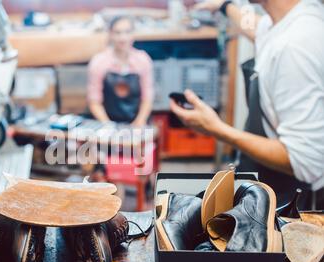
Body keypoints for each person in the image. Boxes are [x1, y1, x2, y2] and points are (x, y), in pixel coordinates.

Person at [170, 0, 324, 209]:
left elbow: (302, 161)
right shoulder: (288, 20)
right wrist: (224, 6)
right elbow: (255, 27)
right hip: (272, 181)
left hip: (296, 199)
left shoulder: (295, 45)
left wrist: (216, 128)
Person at [87, 16, 154, 127]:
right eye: (117, 33)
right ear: (110, 34)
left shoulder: (143, 60)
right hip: (108, 122)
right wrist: (108, 125)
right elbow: (94, 101)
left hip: (137, 122)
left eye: (127, 32)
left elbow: (147, 97)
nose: (123, 38)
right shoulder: (98, 62)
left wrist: (139, 122)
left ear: (133, 34)